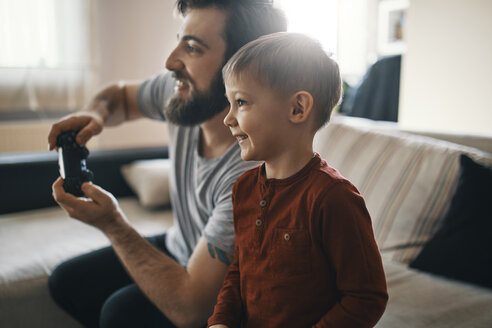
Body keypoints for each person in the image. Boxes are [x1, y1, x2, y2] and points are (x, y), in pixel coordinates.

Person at [47, 1, 286, 327]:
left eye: (193, 48)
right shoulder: (183, 95)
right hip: (182, 246)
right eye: (179, 40)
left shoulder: (252, 175)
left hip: (235, 300)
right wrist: (95, 113)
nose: (171, 61)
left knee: (119, 315)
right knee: (66, 282)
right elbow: (118, 96)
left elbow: (192, 309)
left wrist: (114, 224)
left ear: (245, 69)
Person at [207, 32, 388, 328]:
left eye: (241, 102)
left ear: (297, 108)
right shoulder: (243, 189)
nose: (228, 118)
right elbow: (240, 270)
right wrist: (220, 321)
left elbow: (366, 297)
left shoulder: (334, 198)